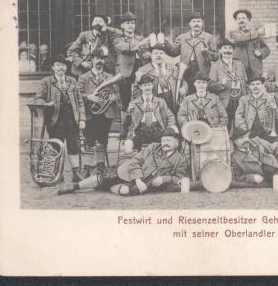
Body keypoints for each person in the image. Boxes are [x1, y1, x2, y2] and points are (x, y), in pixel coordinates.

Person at [58, 128, 188, 196]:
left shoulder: (180, 159)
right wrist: (138, 179)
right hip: (129, 172)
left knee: (126, 191)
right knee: (104, 178)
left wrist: (165, 179)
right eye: (163, 140)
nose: (165, 143)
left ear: (176, 143)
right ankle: (74, 187)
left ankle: (109, 187)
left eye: (169, 141)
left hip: (146, 184)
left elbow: (180, 178)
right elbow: (135, 162)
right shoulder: (153, 147)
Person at [33, 54, 86, 182]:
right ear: (53, 67)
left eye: (63, 65)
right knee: (56, 146)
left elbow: (80, 101)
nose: (61, 68)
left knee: (74, 146)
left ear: (66, 68)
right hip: (55, 120)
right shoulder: (46, 81)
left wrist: (82, 119)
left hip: (72, 120)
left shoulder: (72, 81)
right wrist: (46, 104)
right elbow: (38, 98)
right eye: (58, 65)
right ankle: (57, 173)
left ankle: (76, 173)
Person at [77, 47, 118, 176]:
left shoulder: (110, 77)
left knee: (102, 140)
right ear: (92, 60)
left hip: (106, 114)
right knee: (90, 140)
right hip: (90, 113)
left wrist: (113, 98)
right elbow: (78, 94)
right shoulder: (84, 77)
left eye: (102, 59)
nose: (99, 61)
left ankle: (101, 165)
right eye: (97, 58)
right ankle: (87, 167)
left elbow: (116, 94)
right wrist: (88, 96)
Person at [160, 11, 219, 94]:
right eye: (194, 21)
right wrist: (165, 43)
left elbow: (216, 56)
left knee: (201, 94)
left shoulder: (209, 37)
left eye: (199, 21)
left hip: (202, 72)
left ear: (202, 23)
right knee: (186, 95)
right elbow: (174, 52)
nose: (196, 24)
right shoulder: (182, 37)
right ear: (190, 24)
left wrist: (207, 53)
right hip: (185, 72)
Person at [124, 74, 177, 152]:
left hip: (157, 130)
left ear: (152, 86)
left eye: (149, 85)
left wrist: (169, 129)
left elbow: (170, 116)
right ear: (140, 87)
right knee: (133, 144)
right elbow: (126, 122)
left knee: (167, 142)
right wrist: (128, 111)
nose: (147, 88)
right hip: (140, 131)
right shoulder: (134, 103)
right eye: (145, 85)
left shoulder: (160, 101)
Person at [133, 44, 188, 113]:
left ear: (165, 55)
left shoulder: (174, 68)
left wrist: (184, 89)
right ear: (151, 56)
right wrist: (143, 105)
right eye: (155, 53)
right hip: (153, 104)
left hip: (172, 103)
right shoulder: (143, 70)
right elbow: (136, 90)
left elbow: (183, 82)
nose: (158, 55)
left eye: (161, 53)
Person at [208, 38, 247, 131]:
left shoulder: (239, 64)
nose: (227, 51)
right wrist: (221, 83)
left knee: (240, 126)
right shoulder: (215, 66)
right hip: (225, 101)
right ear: (220, 51)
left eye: (230, 48)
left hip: (240, 100)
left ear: (233, 50)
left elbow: (245, 81)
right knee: (227, 127)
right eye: (225, 48)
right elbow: (210, 86)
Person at [235, 76, 278, 142]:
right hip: (249, 131)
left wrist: (275, 109)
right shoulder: (244, 99)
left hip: (266, 131)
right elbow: (238, 115)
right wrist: (243, 127)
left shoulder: (269, 98)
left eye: (258, 84)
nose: (255, 86)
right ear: (249, 87)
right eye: (252, 84)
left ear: (262, 85)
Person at [229, 9, 270, 78]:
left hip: (256, 68)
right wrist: (257, 33)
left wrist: (261, 52)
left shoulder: (256, 33)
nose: (241, 20)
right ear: (236, 20)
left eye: (243, 18)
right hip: (240, 68)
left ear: (248, 19)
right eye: (239, 18)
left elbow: (267, 49)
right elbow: (239, 38)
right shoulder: (233, 33)